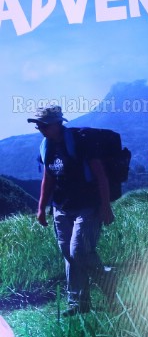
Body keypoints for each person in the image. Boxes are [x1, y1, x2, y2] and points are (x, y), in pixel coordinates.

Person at [32, 106, 114, 315]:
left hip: (87, 206)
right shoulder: (46, 146)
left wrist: (105, 206)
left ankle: (108, 282)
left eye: (43, 124)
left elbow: (101, 176)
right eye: (38, 124)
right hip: (60, 208)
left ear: (57, 123)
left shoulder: (81, 141)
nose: (39, 128)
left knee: (79, 251)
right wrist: (41, 207)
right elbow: (48, 178)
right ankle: (78, 303)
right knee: (68, 254)